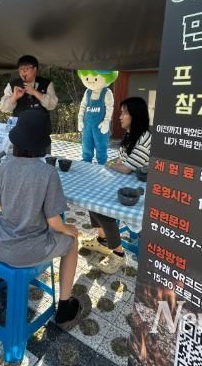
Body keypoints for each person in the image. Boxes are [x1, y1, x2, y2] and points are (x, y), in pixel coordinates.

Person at [0, 109, 91, 330]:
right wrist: (70, 229)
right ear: (43, 144)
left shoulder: (4, 166)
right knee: (72, 242)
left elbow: (0, 204)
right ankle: (64, 308)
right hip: (26, 251)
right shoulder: (48, 173)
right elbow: (55, 222)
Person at [81, 97, 152, 274]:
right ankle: (102, 240)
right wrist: (116, 166)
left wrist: (111, 166)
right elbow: (121, 162)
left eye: (124, 113)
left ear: (135, 115)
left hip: (138, 192)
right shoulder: (130, 134)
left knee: (103, 207)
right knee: (92, 196)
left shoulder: (144, 138)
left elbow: (125, 168)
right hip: (125, 183)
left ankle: (119, 254)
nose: (119, 116)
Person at [0, 55, 58, 120]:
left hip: (41, 124)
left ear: (35, 69)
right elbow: (3, 109)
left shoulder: (46, 83)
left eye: (26, 69)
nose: (23, 72)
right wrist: (14, 97)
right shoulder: (12, 85)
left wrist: (34, 92)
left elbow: (52, 105)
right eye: (20, 69)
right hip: (20, 124)